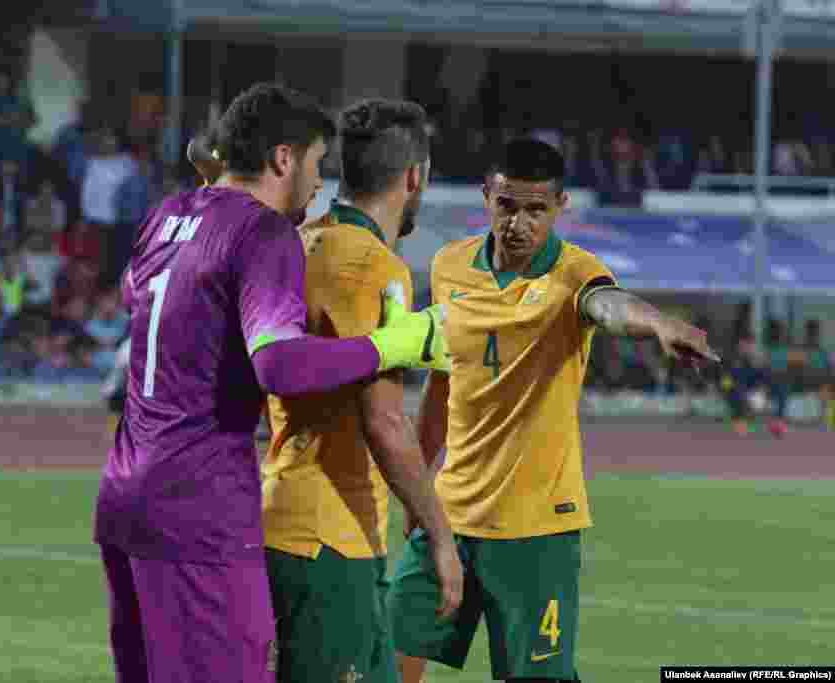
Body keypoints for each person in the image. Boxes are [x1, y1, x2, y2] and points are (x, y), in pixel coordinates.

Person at [92, 83, 449, 683]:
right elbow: (279, 366)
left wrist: (214, 198)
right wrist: (391, 346)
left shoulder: (168, 215)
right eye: (315, 165)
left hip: (125, 495)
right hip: (201, 504)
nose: (318, 187)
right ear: (284, 159)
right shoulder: (264, 233)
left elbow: (139, 294)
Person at [389, 138, 719, 683]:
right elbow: (443, 384)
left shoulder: (574, 273)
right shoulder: (449, 266)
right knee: (385, 659)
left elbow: (609, 305)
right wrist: (419, 486)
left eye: (536, 210)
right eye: (506, 205)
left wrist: (659, 323)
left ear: (560, 206)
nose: (518, 224)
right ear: (487, 197)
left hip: (537, 529)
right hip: (448, 516)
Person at [261, 99, 463, 683]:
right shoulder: (377, 267)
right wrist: (439, 535)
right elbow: (384, 422)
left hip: (286, 519)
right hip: (330, 541)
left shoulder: (293, 243)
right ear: (414, 177)